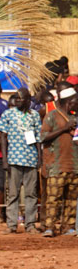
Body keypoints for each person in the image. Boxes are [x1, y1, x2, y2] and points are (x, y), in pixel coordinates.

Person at [0, 87, 42, 234]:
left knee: (31, 193)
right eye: (16, 97)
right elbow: (2, 137)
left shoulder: (34, 115)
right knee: (13, 193)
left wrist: (39, 158)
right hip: (14, 158)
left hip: (31, 158)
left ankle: (30, 224)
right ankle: (11, 225)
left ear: (28, 100)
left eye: (21, 98)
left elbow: (38, 138)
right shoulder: (8, 114)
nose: (17, 100)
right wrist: (5, 159)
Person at [40, 83, 78, 236]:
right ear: (68, 101)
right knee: (53, 198)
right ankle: (49, 226)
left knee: (71, 199)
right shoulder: (52, 116)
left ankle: (68, 226)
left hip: (74, 164)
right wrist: (64, 128)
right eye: (75, 101)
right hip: (56, 164)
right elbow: (43, 137)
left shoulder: (74, 117)